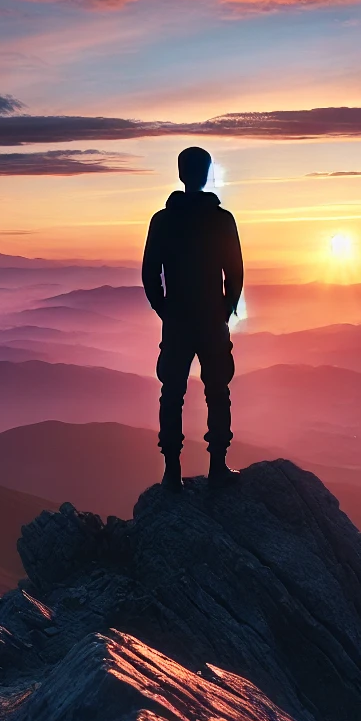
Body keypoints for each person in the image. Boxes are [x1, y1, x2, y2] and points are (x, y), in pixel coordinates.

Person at [142, 146, 243, 491]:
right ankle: (218, 467)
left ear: (181, 173)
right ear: (206, 173)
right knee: (218, 392)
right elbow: (236, 274)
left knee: (172, 394)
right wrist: (224, 311)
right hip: (211, 320)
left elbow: (149, 274)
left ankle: (172, 473)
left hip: (178, 322)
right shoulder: (221, 220)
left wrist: (165, 310)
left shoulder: (163, 220)